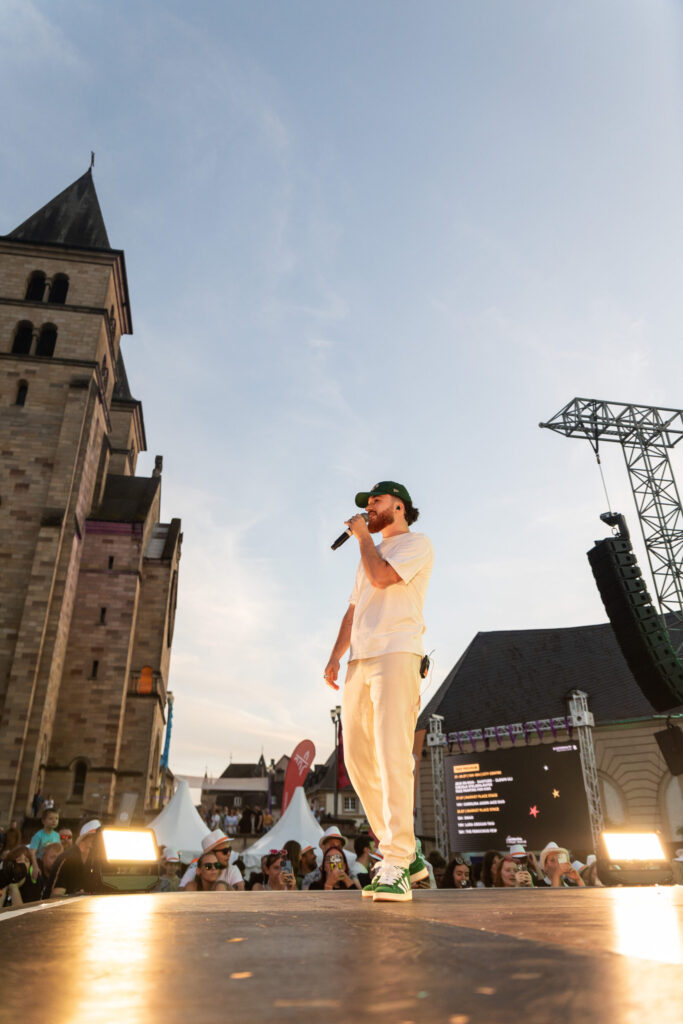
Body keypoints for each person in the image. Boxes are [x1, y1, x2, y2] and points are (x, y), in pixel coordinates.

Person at [324, 481, 433, 903]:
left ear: (399, 506)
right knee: (357, 759)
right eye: (366, 504)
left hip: (397, 652)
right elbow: (354, 610)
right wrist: (335, 656)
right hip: (361, 659)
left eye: (376, 501)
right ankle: (406, 852)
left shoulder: (416, 544)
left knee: (392, 753)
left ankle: (397, 860)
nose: (368, 507)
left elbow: (382, 577)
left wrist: (363, 539)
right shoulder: (367, 551)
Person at [48, 819, 100, 896]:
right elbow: (55, 896)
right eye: (93, 841)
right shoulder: (68, 860)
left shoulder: (94, 863)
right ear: (82, 843)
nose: (97, 845)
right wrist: (76, 896)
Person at [180, 831, 244, 890]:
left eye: (229, 849)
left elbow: (240, 893)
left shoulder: (232, 870)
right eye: (225, 851)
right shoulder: (194, 870)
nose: (229, 853)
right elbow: (181, 892)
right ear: (210, 853)